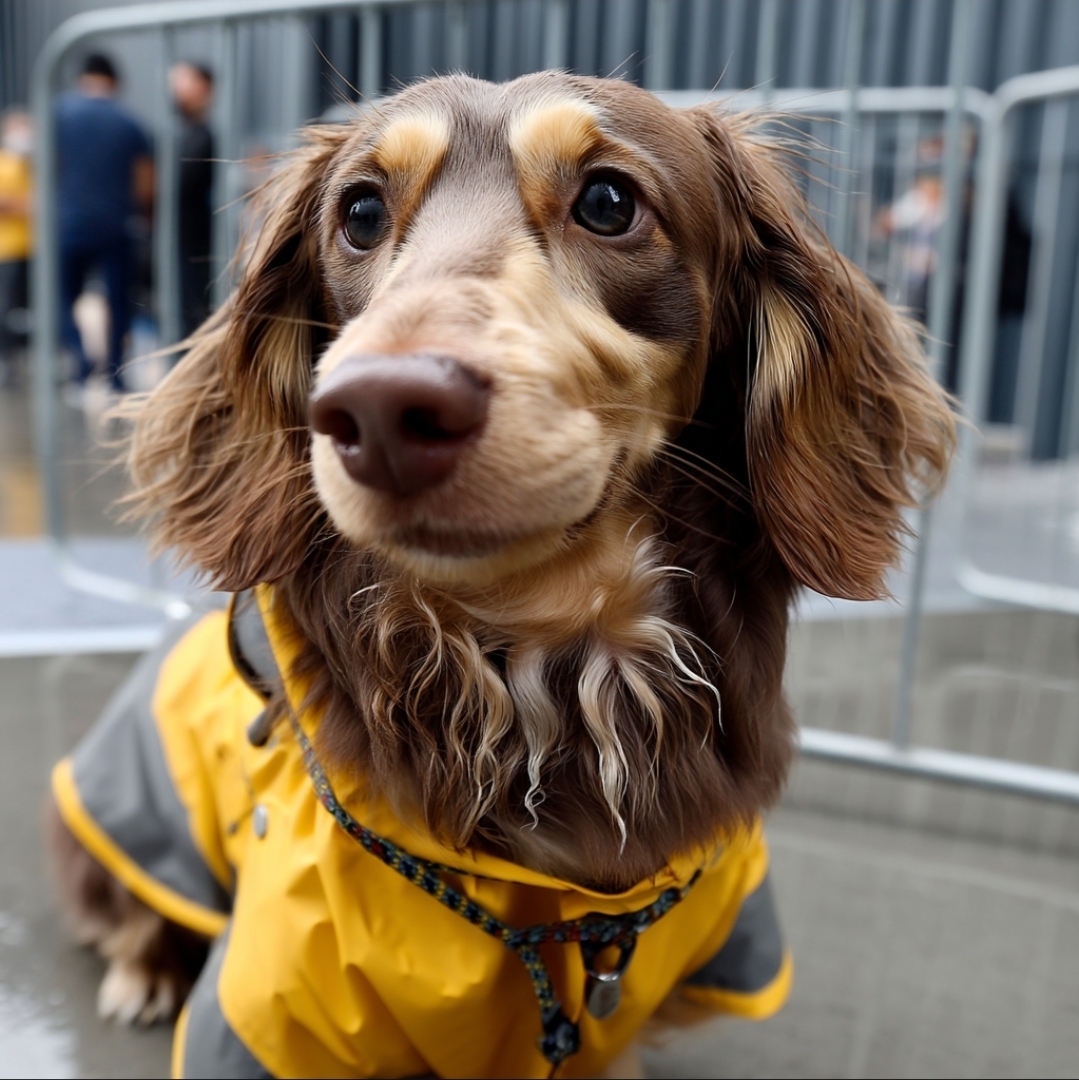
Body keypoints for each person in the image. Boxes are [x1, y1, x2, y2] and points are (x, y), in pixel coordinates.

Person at [57, 53, 153, 394]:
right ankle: (115, 374)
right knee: (118, 299)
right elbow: (144, 181)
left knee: (60, 296)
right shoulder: (129, 122)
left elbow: (48, 167)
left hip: (68, 222)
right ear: (113, 81)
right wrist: (144, 216)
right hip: (116, 224)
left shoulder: (59, 114)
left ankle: (82, 364)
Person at [170, 61, 215, 338]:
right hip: (181, 237)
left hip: (194, 239)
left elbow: (182, 184)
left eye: (182, 82)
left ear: (203, 87)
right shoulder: (181, 135)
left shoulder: (203, 136)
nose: (175, 90)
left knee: (194, 309)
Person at [0, 108, 32, 383]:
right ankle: (6, 360)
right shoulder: (3, 164)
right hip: (7, 249)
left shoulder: (33, 164)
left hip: (33, 248)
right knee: (7, 308)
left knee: (28, 308)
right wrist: (30, 205)